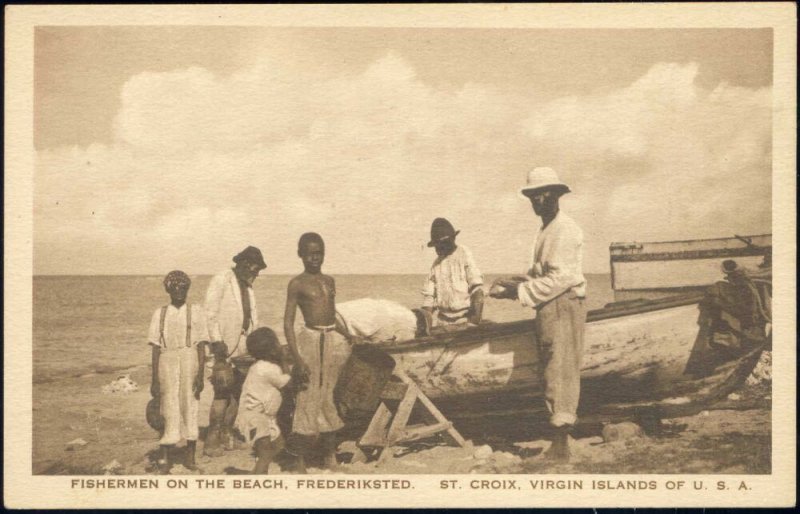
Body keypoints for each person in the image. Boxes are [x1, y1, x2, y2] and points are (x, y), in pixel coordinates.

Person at [490, 167, 587, 463]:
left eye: (543, 194)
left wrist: (516, 292)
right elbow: (541, 273)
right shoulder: (547, 228)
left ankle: (560, 447)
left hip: (562, 304)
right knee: (551, 366)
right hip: (550, 305)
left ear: (557, 195)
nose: (537, 199)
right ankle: (560, 443)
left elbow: (561, 278)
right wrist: (517, 282)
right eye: (533, 195)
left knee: (559, 368)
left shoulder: (565, 229)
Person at [284, 232, 351, 472]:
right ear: (301, 254)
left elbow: (332, 315)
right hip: (310, 341)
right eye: (310, 253)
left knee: (328, 395)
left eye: (319, 253)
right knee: (306, 397)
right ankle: (299, 461)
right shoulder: (297, 283)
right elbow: (288, 324)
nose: (315, 258)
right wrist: (298, 358)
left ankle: (329, 457)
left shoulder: (330, 281)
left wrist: (349, 334)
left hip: (330, 340)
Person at [203, 246, 267, 457]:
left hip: (244, 344)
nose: (257, 274)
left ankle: (227, 435)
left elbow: (252, 317)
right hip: (224, 345)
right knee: (222, 392)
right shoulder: (222, 279)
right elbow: (210, 312)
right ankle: (212, 440)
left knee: (238, 391)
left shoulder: (248, 287)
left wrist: (257, 343)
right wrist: (216, 342)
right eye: (256, 269)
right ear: (245, 265)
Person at [147, 270, 208, 473]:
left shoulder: (195, 311)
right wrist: (154, 379)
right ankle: (165, 458)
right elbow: (155, 348)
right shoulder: (160, 313)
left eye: (183, 288)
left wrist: (200, 375)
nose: (179, 291)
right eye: (175, 288)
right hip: (167, 360)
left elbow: (201, 345)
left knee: (190, 405)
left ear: (187, 289)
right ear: (168, 290)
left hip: (190, 359)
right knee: (168, 406)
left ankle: (190, 457)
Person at [227, 328, 295, 474]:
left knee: (278, 445)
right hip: (256, 417)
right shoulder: (268, 369)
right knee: (265, 454)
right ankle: (257, 480)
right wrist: (284, 360)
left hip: (260, 417)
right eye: (277, 344)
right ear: (271, 351)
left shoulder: (259, 366)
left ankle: (259, 474)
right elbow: (289, 384)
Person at [422, 218, 485, 328]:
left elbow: (477, 291)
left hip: (464, 318)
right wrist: (425, 324)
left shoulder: (464, 254)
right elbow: (429, 299)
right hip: (443, 321)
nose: (437, 249)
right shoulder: (436, 264)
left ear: (451, 241)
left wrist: (473, 322)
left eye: (439, 245)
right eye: (436, 245)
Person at [335, 298, 432, 343]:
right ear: (421, 326)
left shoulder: (396, 308)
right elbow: (404, 341)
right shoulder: (410, 322)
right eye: (421, 332)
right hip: (339, 324)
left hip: (335, 311)